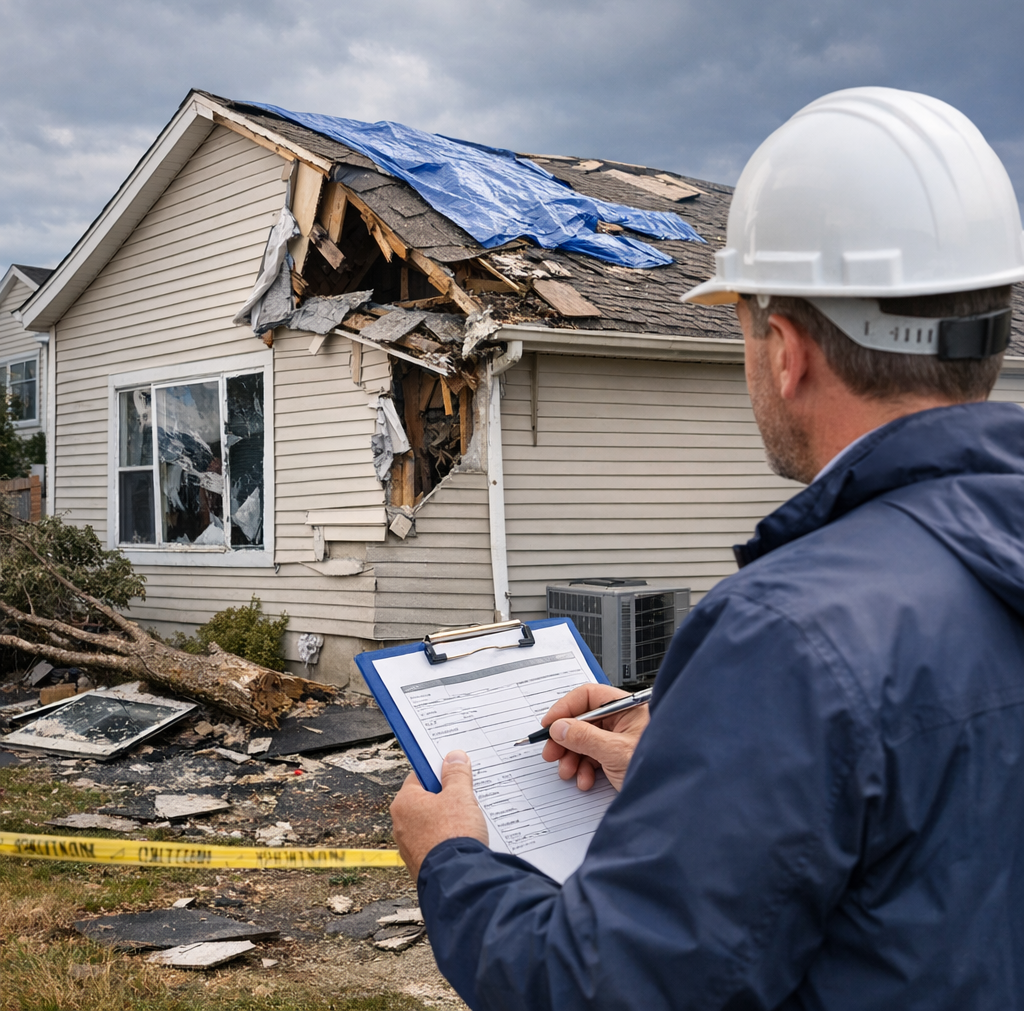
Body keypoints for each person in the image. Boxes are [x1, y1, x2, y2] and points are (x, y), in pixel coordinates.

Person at [389, 87, 1024, 1010]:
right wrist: (700, 759)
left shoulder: (789, 636)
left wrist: (451, 858)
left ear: (786, 348)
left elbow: (604, 990)